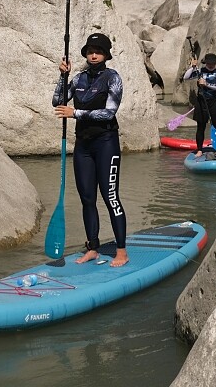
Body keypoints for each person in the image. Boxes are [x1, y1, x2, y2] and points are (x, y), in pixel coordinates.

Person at [53, 32, 129, 267]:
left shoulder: (112, 78)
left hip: (106, 143)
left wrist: (75, 113)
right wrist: (63, 76)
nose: (93, 55)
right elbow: (57, 101)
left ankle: (121, 251)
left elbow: (109, 113)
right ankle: (93, 248)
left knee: (110, 197)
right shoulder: (78, 79)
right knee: (87, 198)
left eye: (98, 52)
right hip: (83, 146)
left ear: (106, 55)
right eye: (90, 51)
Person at [181, 53, 216, 158]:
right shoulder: (199, 71)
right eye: (209, 63)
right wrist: (192, 67)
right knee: (201, 126)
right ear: (206, 63)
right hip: (201, 102)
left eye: (213, 63)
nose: (211, 65)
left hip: (214, 102)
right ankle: (199, 149)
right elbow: (186, 77)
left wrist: (206, 84)